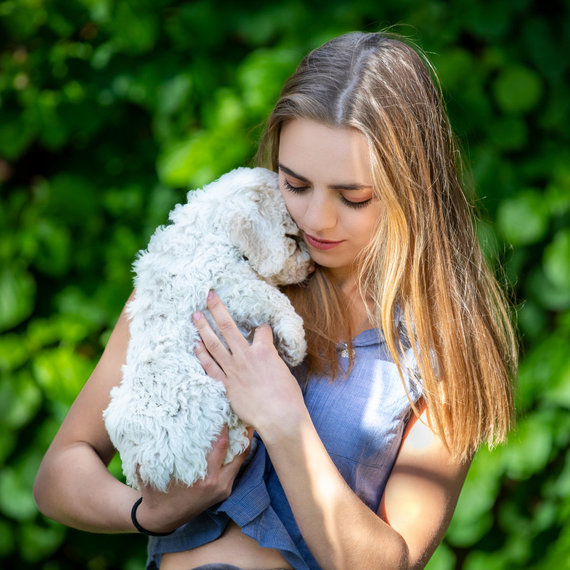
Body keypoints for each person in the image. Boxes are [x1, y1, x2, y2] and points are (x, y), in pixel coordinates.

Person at [33, 31, 517, 569]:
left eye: (353, 198)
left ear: (414, 189)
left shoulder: (441, 350)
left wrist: (285, 422)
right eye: (296, 183)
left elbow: (387, 564)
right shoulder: (207, 264)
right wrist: (149, 513)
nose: (316, 220)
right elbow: (60, 472)